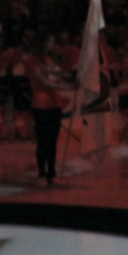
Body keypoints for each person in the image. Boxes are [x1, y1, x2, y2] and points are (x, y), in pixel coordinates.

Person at [25, 44, 76, 186]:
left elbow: (63, 76)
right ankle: (42, 173)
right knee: (43, 141)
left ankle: (52, 173)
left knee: (53, 141)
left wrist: (76, 77)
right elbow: (45, 83)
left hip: (55, 105)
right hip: (41, 105)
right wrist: (69, 87)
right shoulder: (32, 64)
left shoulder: (52, 64)